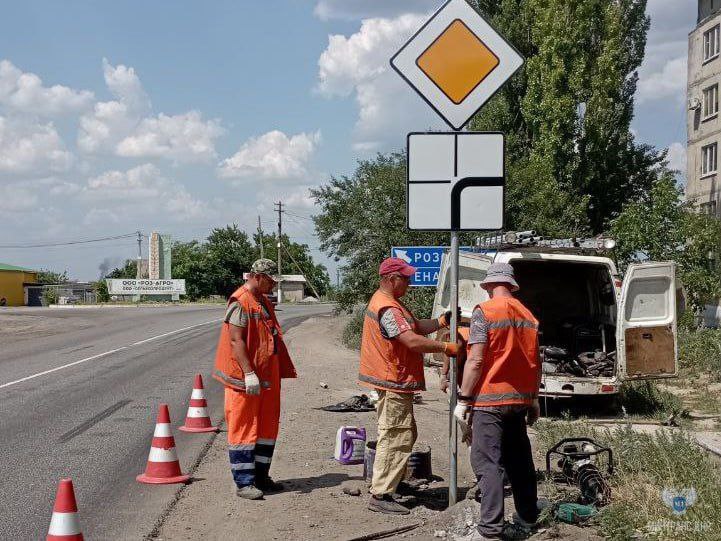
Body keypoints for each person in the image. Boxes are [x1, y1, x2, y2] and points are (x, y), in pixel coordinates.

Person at [360, 257, 462, 515]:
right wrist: (445, 347)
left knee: (405, 434)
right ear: (391, 278)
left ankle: (394, 483)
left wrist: (440, 322)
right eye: (405, 278)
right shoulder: (388, 308)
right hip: (393, 380)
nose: (410, 282)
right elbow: (412, 341)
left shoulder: (392, 305)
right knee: (396, 436)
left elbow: (415, 327)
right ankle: (381, 493)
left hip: (396, 381)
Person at [454, 263, 542, 541]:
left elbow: (477, 359)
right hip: (519, 400)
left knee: (486, 461)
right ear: (511, 285)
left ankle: (490, 529)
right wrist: (534, 399)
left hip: (489, 400)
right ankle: (527, 518)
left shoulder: (485, 311)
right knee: (519, 461)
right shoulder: (528, 315)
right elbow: (535, 361)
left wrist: (464, 399)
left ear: (488, 286)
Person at [213, 258, 296, 500]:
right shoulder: (241, 301)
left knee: (267, 428)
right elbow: (236, 340)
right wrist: (249, 373)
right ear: (258, 276)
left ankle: (261, 477)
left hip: (266, 379)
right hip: (245, 380)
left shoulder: (261, 301)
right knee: (244, 430)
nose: (273, 285)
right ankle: (244, 483)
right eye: (271, 281)